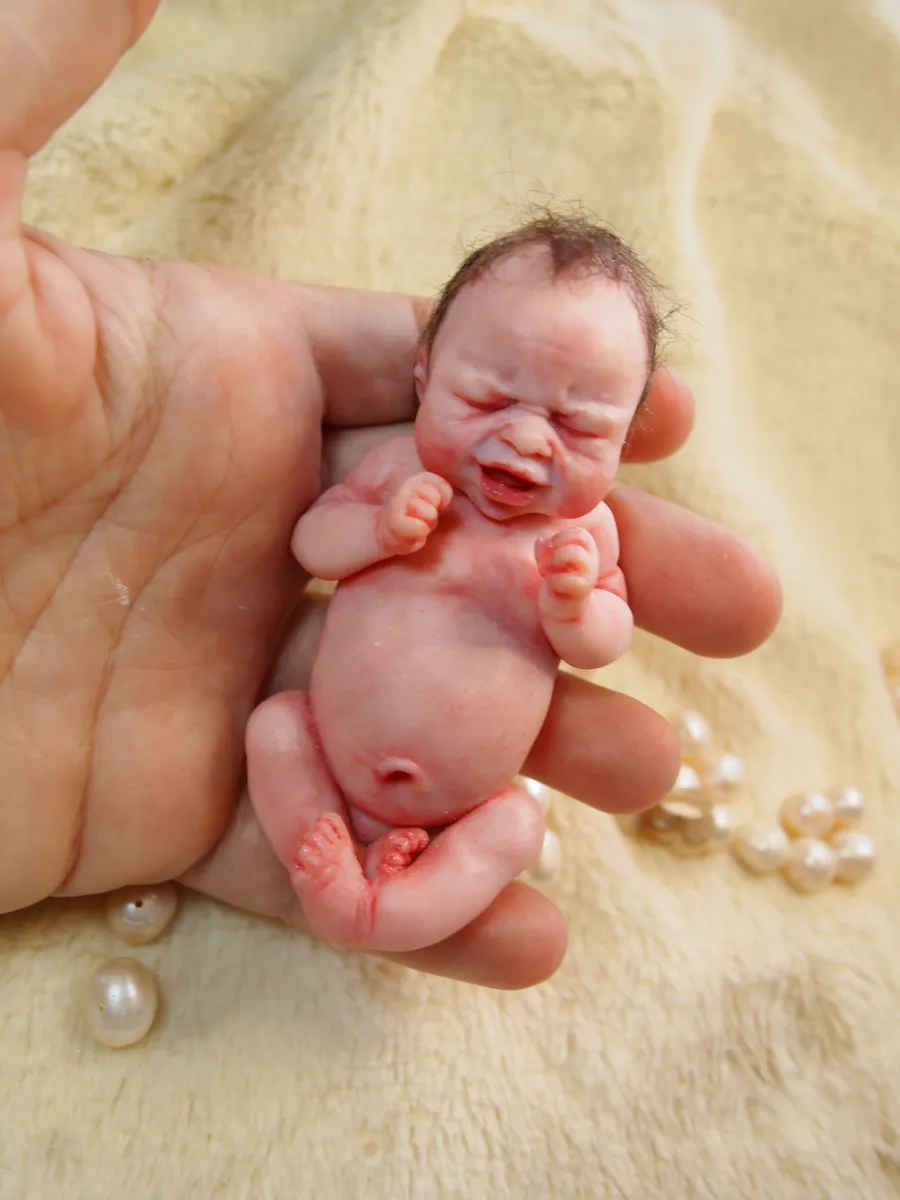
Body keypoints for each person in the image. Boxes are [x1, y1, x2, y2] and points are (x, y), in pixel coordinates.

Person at [0, 0, 781, 989]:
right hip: (329, 749)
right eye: (488, 395)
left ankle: (390, 911)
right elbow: (313, 547)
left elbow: (603, 642)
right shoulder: (403, 475)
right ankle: (323, 866)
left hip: (464, 791)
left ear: (627, 441)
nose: (526, 438)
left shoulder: (581, 535)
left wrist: (577, 604)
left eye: (581, 426)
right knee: (272, 730)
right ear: (423, 379)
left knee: (513, 824)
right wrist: (374, 526)